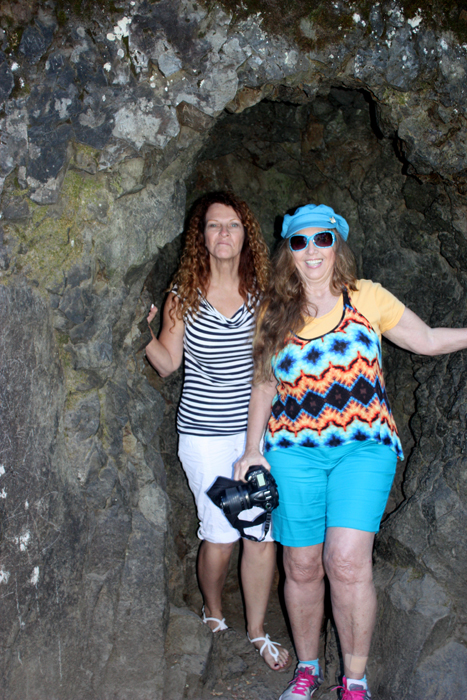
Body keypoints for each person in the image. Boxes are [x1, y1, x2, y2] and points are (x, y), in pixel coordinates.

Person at [234, 202, 467, 699]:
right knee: (299, 564)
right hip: (293, 451)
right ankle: (308, 668)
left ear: (337, 243)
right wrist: (251, 450)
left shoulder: (367, 298)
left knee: (345, 560)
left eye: (322, 239)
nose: (312, 250)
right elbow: (263, 384)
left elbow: (424, 339)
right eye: (300, 241)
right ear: (288, 252)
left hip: (364, 448)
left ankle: (354, 681)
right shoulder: (273, 311)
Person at [145, 191, 290, 671]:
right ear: (200, 236)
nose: (223, 233)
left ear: (246, 234)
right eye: (213, 225)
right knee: (222, 535)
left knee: (260, 533)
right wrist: (141, 332)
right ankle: (212, 608)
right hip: (204, 435)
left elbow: (266, 373)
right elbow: (168, 363)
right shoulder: (183, 295)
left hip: (252, 434)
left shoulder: (262, 295)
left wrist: (255, 446)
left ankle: (257, 631)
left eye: (232, 225)